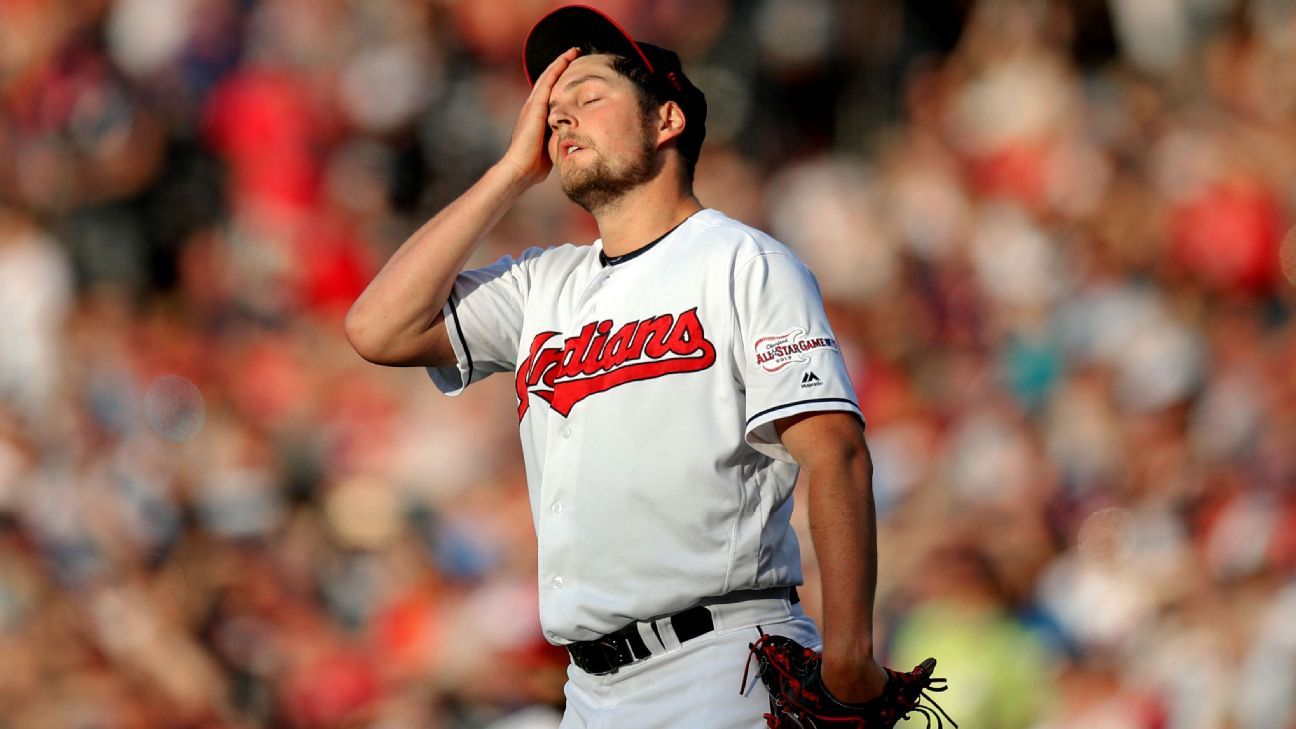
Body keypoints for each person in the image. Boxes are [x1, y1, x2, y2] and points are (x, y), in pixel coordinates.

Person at [345, 6, 888, 726]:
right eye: (551, 110)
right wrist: (511, 172)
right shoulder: (544, 284)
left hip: (721, 662)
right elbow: (377, 327)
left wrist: (849, 649)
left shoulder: (740, 262)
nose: (560, 120)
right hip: (589, 689)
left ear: (667, 119)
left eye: (589, 97)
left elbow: (835, 449)